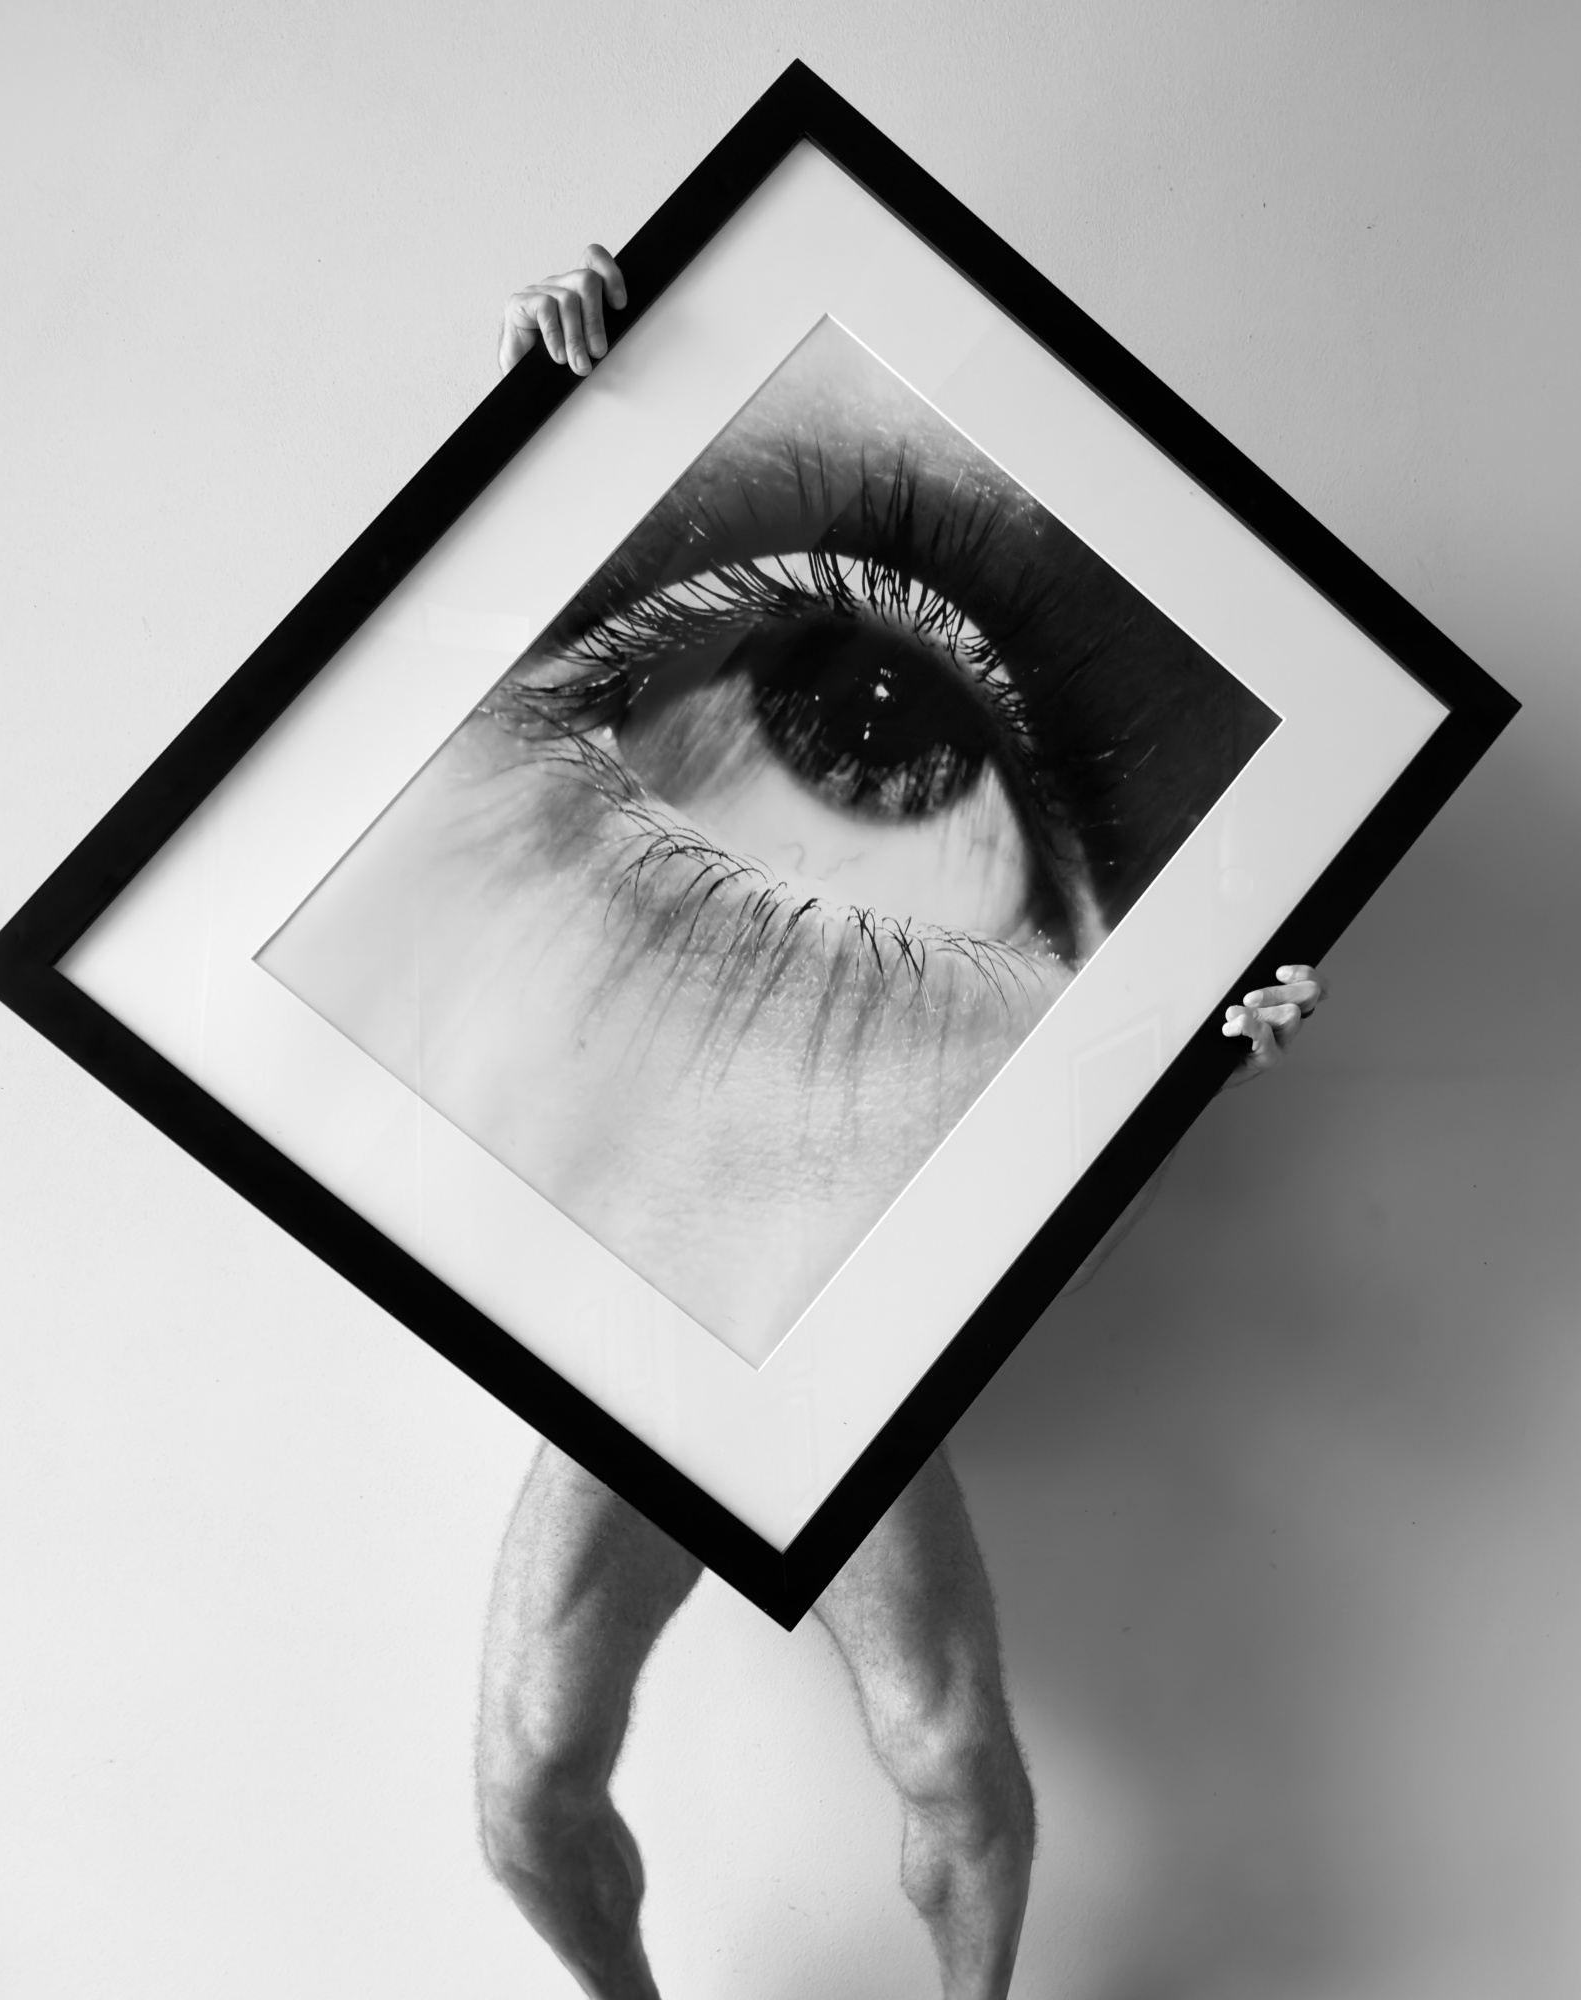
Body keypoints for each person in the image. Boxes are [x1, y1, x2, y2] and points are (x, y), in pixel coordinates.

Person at [475, 247, 1325, 2000]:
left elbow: (1069, 1098)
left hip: (840, 1306)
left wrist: (1200, 1040)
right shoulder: (612, 862)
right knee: (528, 1785)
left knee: (944, 1749)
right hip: (651, 1293)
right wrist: (558, 417)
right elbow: (422, 707)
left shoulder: (960, 991)